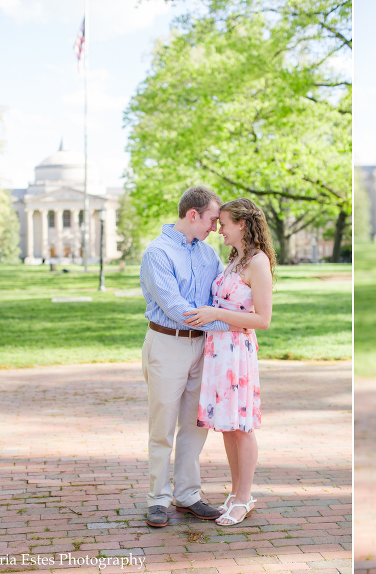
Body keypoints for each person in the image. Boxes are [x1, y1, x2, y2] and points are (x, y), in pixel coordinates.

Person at [140, 185, 247, 528]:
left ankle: (187, 495)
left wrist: (234, 317)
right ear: (193, 215)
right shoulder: (157, 253)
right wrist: (234, 322)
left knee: (194, 425)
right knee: (163, 425)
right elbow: (176, 308)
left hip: (205, 347)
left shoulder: (207, 254)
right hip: (167, 344)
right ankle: (158, 498)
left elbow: (221, 293)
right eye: (213, 220)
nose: (216, 227)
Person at [182, 198, 276, 527]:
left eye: (224, 223)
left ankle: (244, 497)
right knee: (227, 426)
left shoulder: (258, 263)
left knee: (242, 427)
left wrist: (214, 314)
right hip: (219, 350)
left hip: (237, 353)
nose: (218, 229)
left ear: (243, 225)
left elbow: (262, 318)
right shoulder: (235, 258)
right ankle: (237, 495)